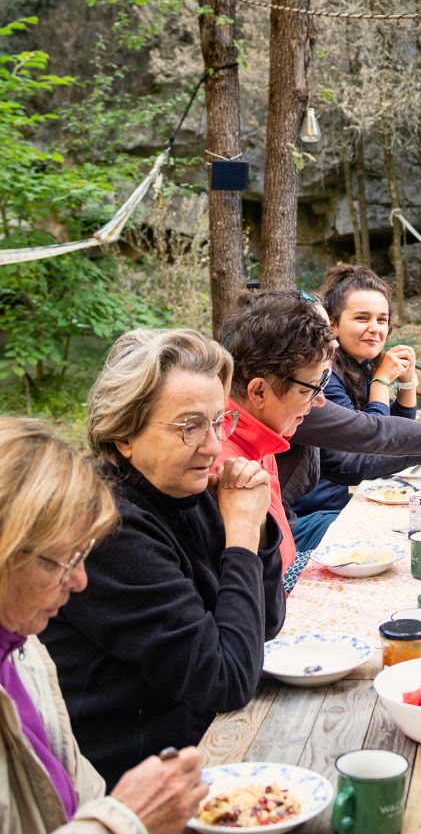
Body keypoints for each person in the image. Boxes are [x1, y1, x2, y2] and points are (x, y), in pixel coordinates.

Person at [42, 329, 285, 786]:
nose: (214, 446)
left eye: (218, 423)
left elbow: (263, 623)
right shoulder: (108, 527)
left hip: (200, 737)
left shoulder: (182, 490)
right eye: (189, 426)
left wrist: (255, 528)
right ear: (124, 433)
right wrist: (241, 535)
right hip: (136, 782)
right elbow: (226, 679)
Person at [0, 417, 208, 834]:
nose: (79, 582)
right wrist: (124, 820)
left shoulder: (24, 651)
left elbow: (77, 792)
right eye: (64, 561)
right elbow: (216, 670)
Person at [291, 267, 421, 547]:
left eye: (382, 319)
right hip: (317, 513)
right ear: (333, 325)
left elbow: (395, 430)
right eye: (361, 318)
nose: (375, 328)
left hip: (343, 502)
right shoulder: (322, 380)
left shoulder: (359, 365)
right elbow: (368, 447)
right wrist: (381, 382)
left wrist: (406, 383)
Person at [215, 291, 336, 575]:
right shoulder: (223, 464)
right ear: (258, 391)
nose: (320, 401)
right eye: (309, 389)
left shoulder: (263, 438)